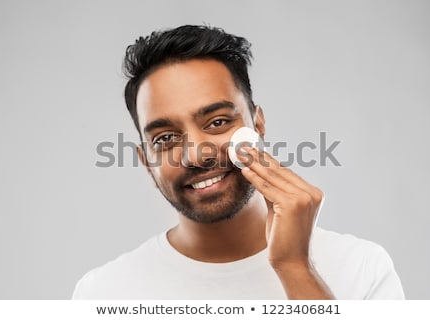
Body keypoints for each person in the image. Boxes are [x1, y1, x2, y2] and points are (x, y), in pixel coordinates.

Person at [73, 25, 404, 299]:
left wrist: (294, 267)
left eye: (217, 122)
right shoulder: (102, 293)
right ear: (146, 162)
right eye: (165, 138)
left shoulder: (363, 269)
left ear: (257, 126)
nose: (197, 154)